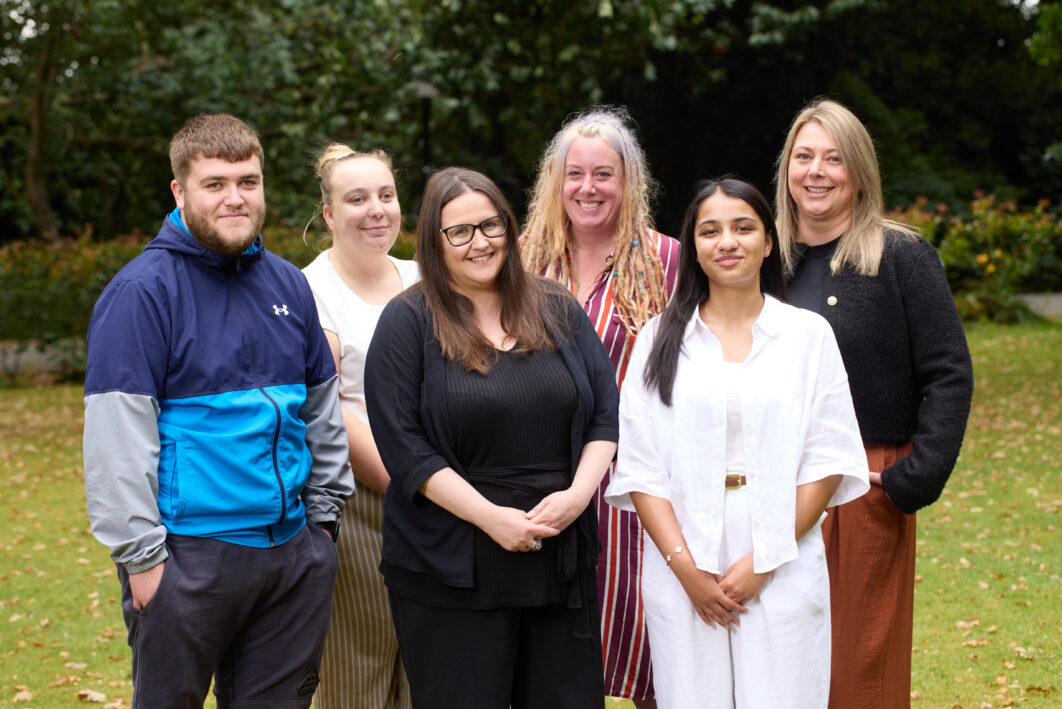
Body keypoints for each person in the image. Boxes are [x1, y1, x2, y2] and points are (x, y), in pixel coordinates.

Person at [83, 114, 354, 709]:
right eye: (215, 183)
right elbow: (115, 442)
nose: (235, 197)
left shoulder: (288, 284)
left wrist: (323, 528)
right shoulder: (141, 293)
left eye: (248, 181)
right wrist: (144, 563)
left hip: (294, 554)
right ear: (180, 191)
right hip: (188, 558)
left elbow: (321, 409)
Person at [605, 176, 870, 708]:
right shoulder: (659, 340)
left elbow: (827, 458)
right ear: (694, 247)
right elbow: (640, 466)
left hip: (782, 547)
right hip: (682, 556)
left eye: (743, 227)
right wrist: (687, 569)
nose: (727, 241)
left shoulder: (808, 336)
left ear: (768, 241)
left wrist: (766, 559)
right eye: (710, 231)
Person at [364, 167, 619, 708]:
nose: (480, 243)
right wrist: (490, 518)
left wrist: (577, 498)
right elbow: (405, 447)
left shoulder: (556, 308)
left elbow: (605, 415)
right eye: (460, 232)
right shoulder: (407, 323)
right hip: (452, 565)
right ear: (434, 242)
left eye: (491, 225)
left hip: (558, 558)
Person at [774, 98, 974, 708]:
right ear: (786, 168)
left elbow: (948, 371)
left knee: (859, 662)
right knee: (776, 655)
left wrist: (913, 475)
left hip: (864, 482)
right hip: (770, 477)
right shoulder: (760, 260)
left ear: (858, 170)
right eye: (803, 156)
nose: (816, 171)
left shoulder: (901, 256)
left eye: (833, 158)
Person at [521, 106, 679, 706]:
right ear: (555, 182)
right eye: (575, 174)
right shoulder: (522, 261)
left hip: (638, 481)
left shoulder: (669, 263)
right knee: (555, 657)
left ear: (629, 181)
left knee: (650, 641)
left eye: (604, 174)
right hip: (542, 475)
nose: (588, 188)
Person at [301, 144, 418, 708]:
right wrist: (413, 486)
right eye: (356, 199)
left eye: (386, 195)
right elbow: (329, 410)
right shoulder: (309, 292)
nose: (376, 210)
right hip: (362, 500)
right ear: (328, 214)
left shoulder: (426, 279)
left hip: (442, 495)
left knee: (429, 666)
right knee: (358, 673)